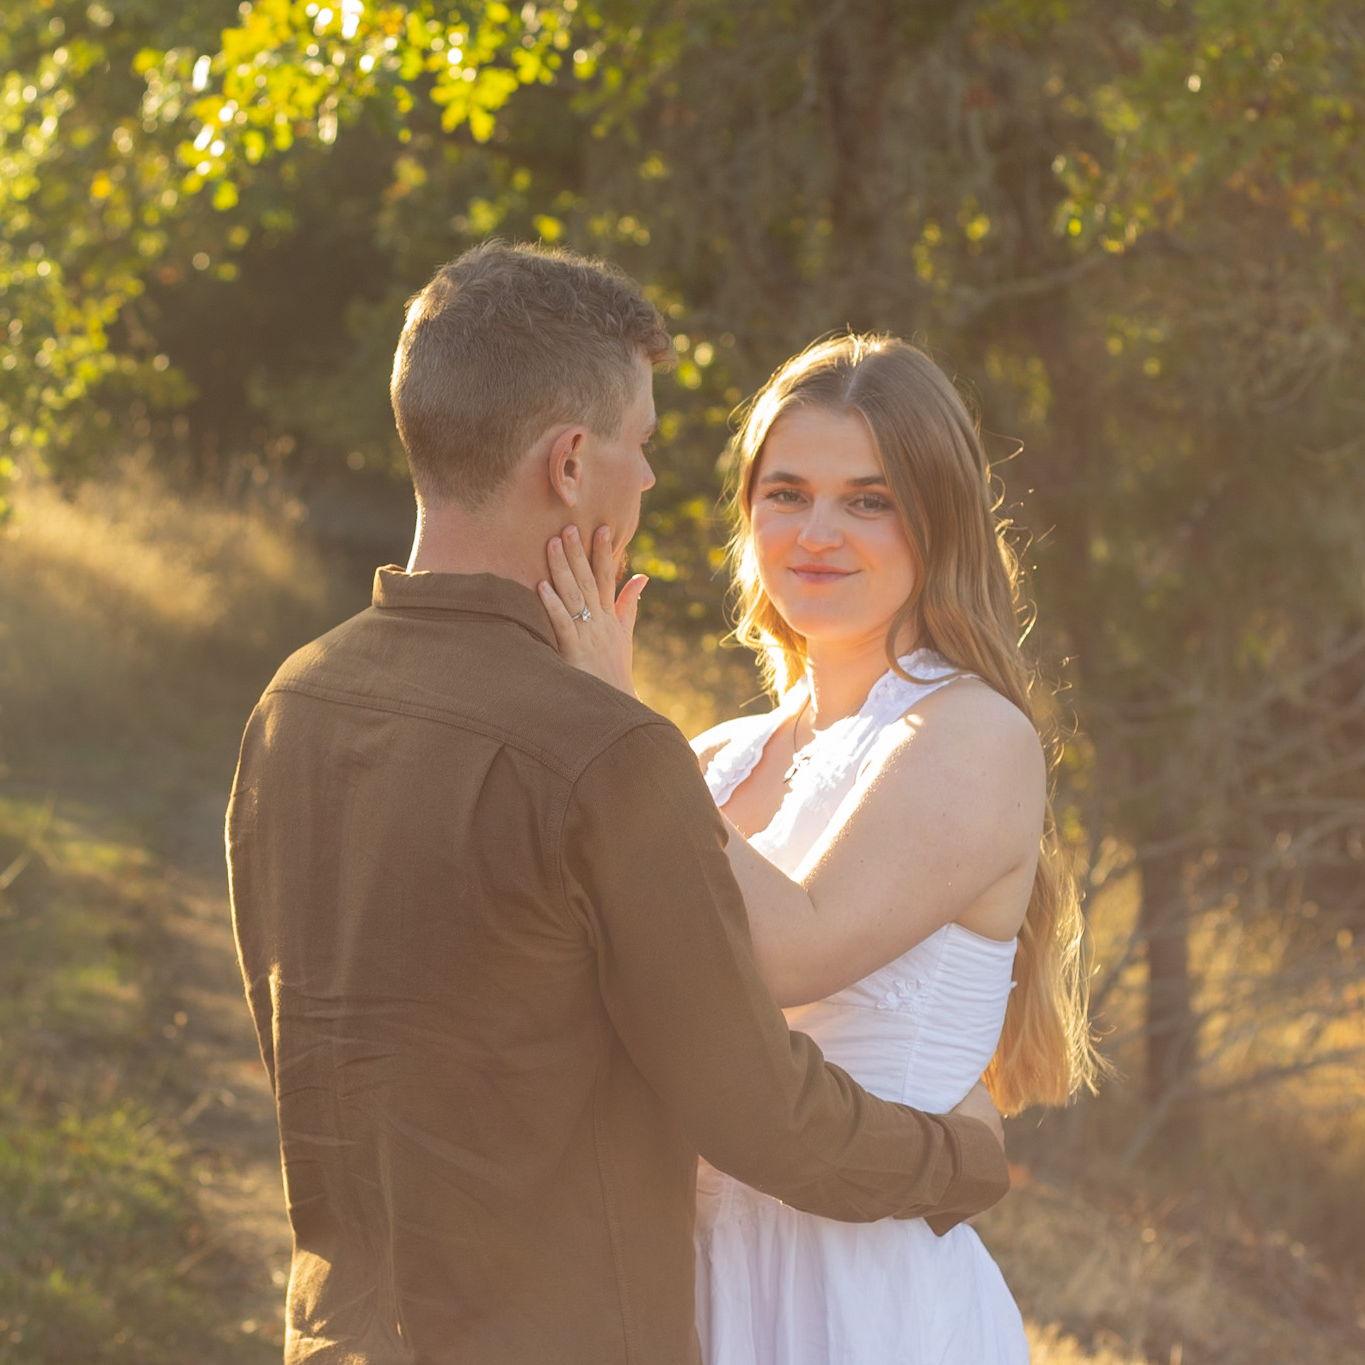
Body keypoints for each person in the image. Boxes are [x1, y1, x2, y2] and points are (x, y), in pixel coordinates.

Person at [225, 245, 1010, 1365]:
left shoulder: (292, 703)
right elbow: (757, 1111)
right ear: (569, 462)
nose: (646, 477)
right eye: (639, 445)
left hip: (346, 1333)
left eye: (868, 501)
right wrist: (964, 1158)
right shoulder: (611, 754)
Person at [538, 332, 1103, 1363]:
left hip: (859, 1296)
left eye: (869, 500)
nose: (817, 533)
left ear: (939, 517)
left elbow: (786, 949)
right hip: (688, 1279)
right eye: (787, 493)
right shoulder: (714, 757)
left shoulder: (972, 734)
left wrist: (618, 722)